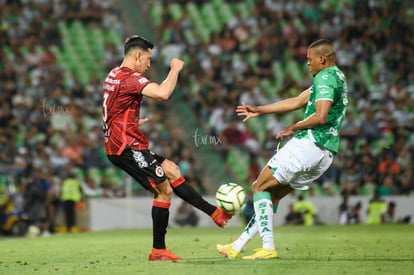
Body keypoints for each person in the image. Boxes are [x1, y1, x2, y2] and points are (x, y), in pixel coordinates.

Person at [102, 35, 232, 261]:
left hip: (123, 140)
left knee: (171, 170)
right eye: (148, 59)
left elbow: (110, 106)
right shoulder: (131, 78)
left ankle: (215, 213)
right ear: (138, 55)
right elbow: (162, 93)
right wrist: (175, 69)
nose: (149, 64)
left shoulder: (113, 74)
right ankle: (158, 250)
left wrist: (128, 122)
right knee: (164, 190)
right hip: (125, 146)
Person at [217, 39, 348, 259]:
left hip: (310, 143)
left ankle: (268, 247)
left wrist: (293, 127)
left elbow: (321, 116)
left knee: (259, 187)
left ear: (322, 59)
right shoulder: (337, 77)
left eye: (310, 59)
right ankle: (236, 247)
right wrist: (260, 109)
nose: (307, 64)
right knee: (271, 196)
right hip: (325, 154)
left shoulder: (325, 77)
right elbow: (297, 101)